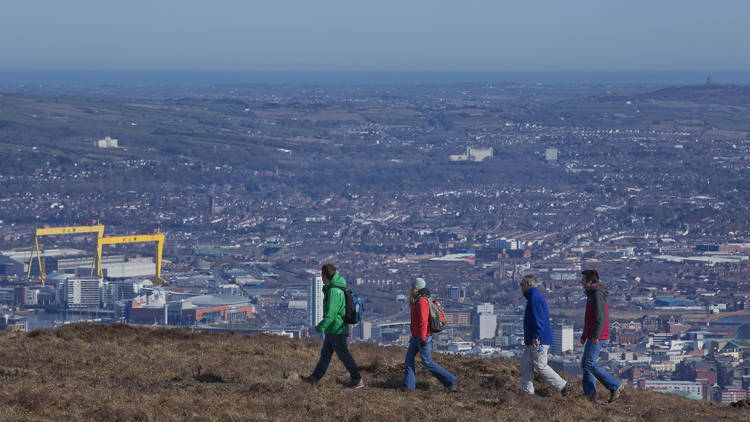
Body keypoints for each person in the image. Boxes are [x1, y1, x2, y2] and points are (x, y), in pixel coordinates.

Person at [301, 264, 364, 389]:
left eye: (322, 276)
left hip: (336, 329)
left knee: (343, 355)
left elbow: (331, 314)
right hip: (333, 329)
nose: (322, 279)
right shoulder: (335, 288)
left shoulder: (334, 291)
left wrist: (319, 327)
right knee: (326, 354)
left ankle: (357, 379)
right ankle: (315, 378)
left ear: (325, 276)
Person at [520, 275, 573, 396]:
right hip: (533, 340)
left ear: (527, 285)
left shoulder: (534, 298)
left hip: (538, 340)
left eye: (521, 284)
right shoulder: (533, 297)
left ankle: (563, 385)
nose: (520, 287)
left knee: (540, 365)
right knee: (525, 365)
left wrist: (535, 336)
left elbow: (538, 319)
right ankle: (527, 393)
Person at [403, 277, 457, 392]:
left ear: (415, 288)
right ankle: (408, 387)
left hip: (423, 337)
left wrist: (422, 338)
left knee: (427, 362)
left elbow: (423, 322)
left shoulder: (422, 301)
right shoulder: (419, 299)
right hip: (417, 337)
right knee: (409, 360)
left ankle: (450, 380)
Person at [580, 269, 623, 403]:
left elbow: (601, 316)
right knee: (585, 363)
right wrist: (584, 334)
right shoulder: (592, 293)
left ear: (590, 281)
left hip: (598, 336)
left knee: (589, 363)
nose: (581, 282)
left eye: (583, 280)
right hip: (592, 334)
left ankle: (615, 386)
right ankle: (589, 394)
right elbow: (590, 318)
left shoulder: (597, 294)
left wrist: (596, 335)